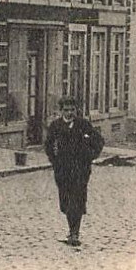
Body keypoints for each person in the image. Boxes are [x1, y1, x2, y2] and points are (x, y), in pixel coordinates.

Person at [44, 95, 104, 247]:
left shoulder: (83, 125)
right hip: (62, 170)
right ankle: (72, 229)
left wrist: (90, 157)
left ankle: (74, 233)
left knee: (77, 200)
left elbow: (99, 141)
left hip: (80, 170)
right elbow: (48, 145)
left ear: (76, 110)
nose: (69, 113)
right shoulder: (55, 126)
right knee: (65, 202)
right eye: (66, 110)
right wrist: (54, 161)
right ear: (61, 110)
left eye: (72, 110)